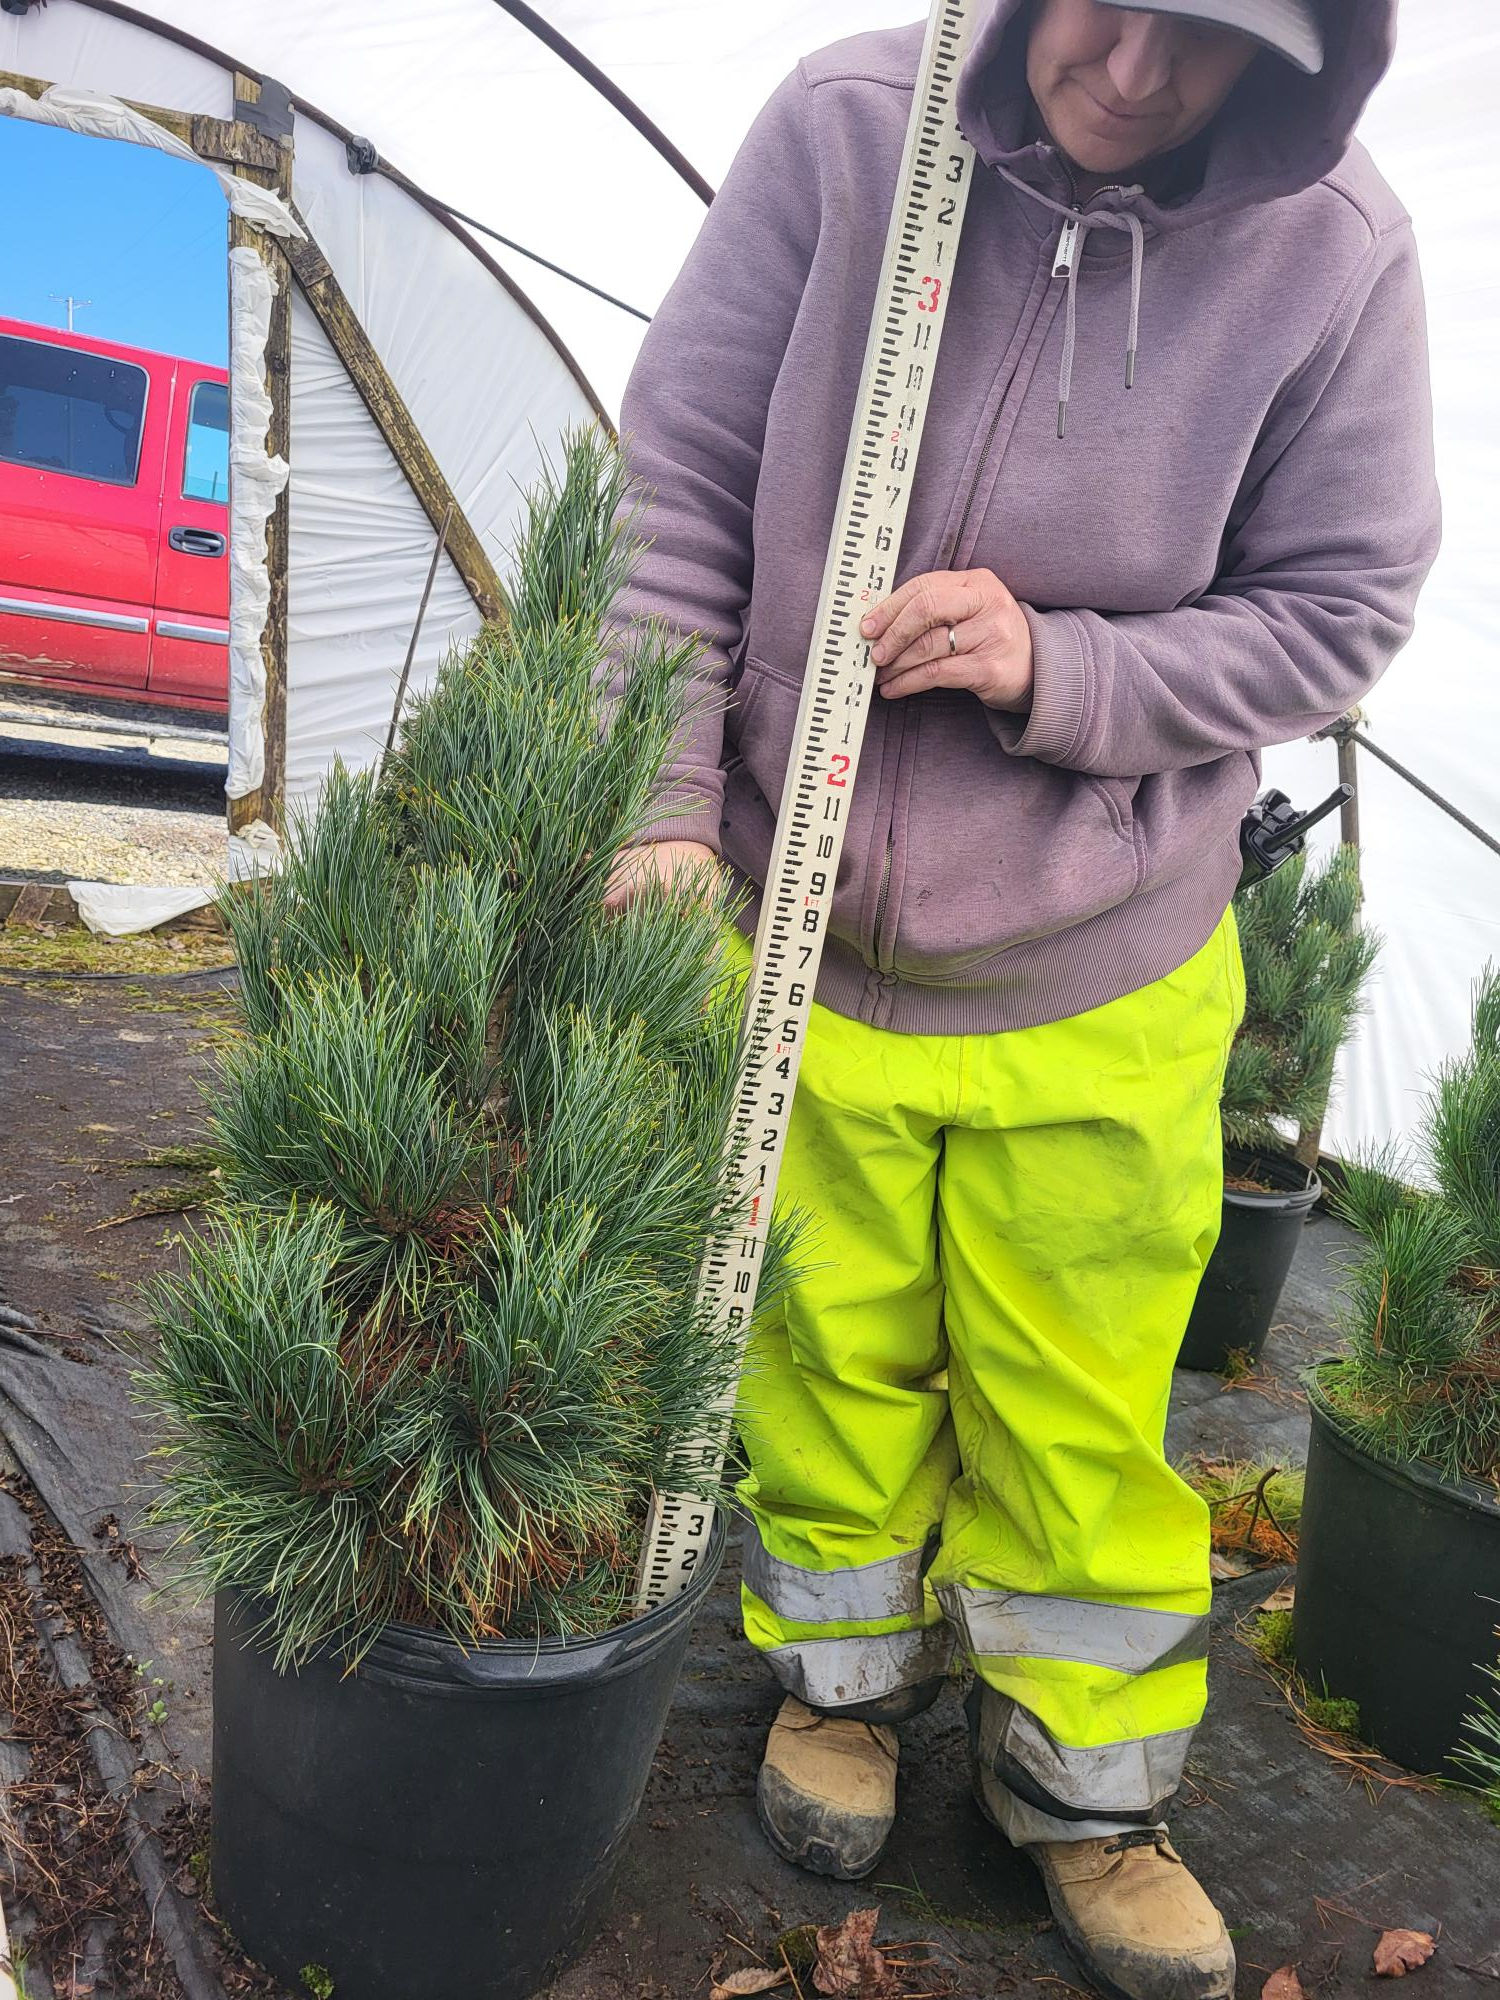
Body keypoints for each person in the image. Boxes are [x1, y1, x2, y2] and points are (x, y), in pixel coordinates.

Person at [607, 3, 1438, 1995]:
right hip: (802, 949)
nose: (1137, 69)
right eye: (1107, 1)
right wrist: (657, 806)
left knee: (1076, 1410)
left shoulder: (1339, 255)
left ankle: (1091, 1785)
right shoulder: (847, 130)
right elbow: (681, 482)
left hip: (1106, 961)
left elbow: (1338, 611)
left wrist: (1066, 668)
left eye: (1209, 39)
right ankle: (842, 1693)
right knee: (825, 1354)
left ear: (1307, 50)